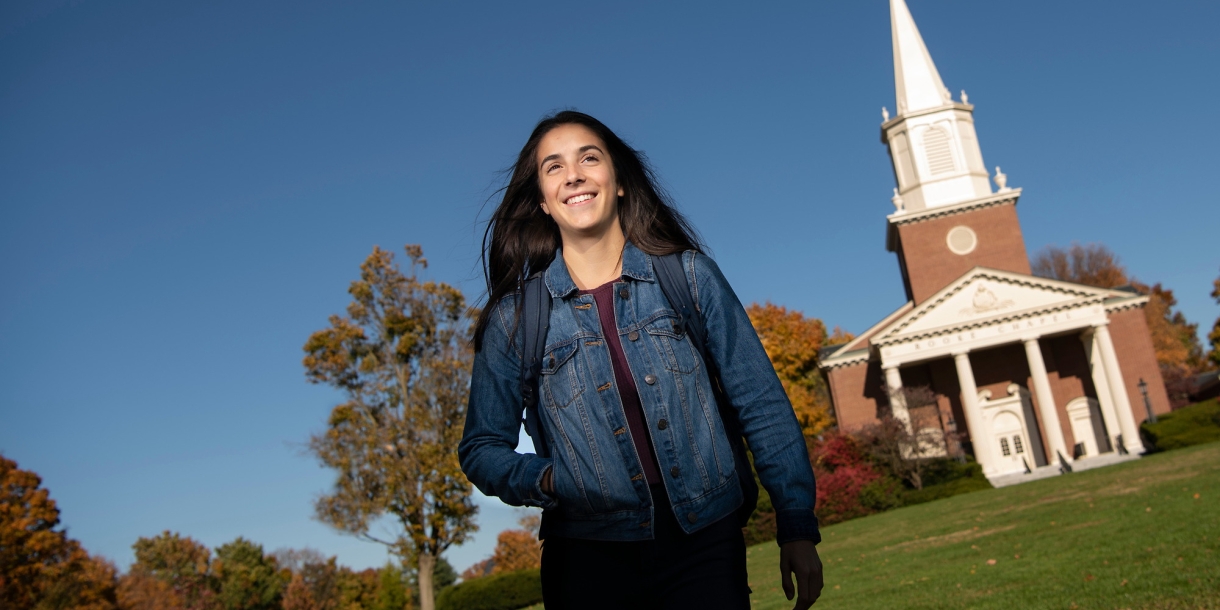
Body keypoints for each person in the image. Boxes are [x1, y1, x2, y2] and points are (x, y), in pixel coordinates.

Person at [459, 110, 823, 609]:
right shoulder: (515, 320)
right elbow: (481, 447)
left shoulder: (690, 277)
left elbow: (761, 404)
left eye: (590, 157)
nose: (575, 175)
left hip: (705, 544)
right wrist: (545, 478)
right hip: (586, 561)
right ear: (543, 202)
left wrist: (796, 525)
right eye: (554, 167)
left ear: (620, 181)